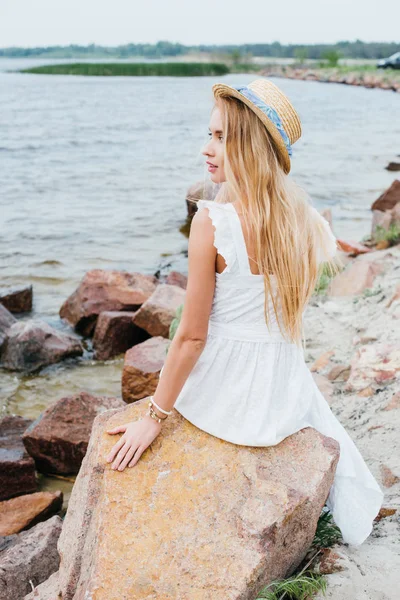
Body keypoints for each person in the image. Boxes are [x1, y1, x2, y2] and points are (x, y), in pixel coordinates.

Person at [106, 78, 384, 546]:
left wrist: (153, 416)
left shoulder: (211, 223)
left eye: (219, 137)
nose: (205, 148)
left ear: (250, 146)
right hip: (285, 388)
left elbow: (192, 337)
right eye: (209, 134)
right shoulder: (303, 218)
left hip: (229, 394)